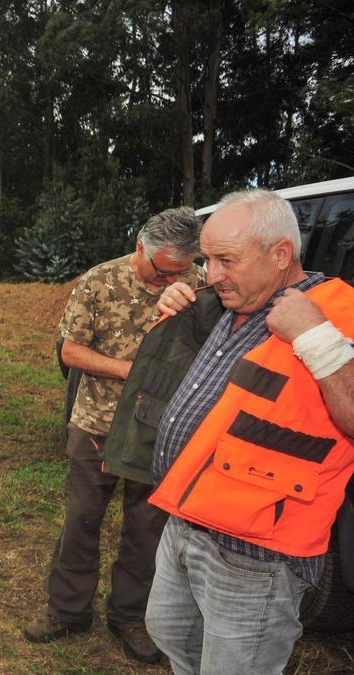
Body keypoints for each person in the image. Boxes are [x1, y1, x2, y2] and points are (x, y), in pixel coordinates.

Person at [143, 189, 354, 673]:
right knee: (172, 637)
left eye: (226, 260)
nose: (211, 274)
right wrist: (178, 306)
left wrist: (315, 336)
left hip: (256, 555)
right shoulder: (230, 301)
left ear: (281, 254)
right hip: (184, 520)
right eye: (206, 260)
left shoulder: (337, 310)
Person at [23, 207, 204, 664]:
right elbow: (71, 351)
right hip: (97, 426)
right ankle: (67, 611)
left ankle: (130, 618)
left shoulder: (201, 284)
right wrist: (132, 372)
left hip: (161, 430)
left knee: (146, 531)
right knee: (81, 520)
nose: (169, 281)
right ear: (140, 247)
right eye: (163, 270)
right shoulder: (99, 281)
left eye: (179, 272)